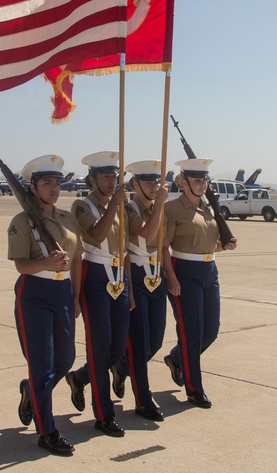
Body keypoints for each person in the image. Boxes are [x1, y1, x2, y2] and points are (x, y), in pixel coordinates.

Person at [8, 155, 82, 457]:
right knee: (43, 364)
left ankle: (31, 391)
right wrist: (45, 263)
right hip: (34, 292)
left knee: (65, 360)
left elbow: (77, 259)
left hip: (62, 291)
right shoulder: (22, 221)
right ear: (33, 188)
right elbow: (21, 265)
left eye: (56, 183)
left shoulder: (67, 218)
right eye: (46, 183)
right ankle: (47, 430)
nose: (53, 188)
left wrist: (75, 297)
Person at [161, 158, 237, 409]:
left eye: (204, 180)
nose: (202, 185)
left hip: (209, 270)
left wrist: (225, 246)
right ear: (183, 183)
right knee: (191, 333)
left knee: (211, 331)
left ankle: (175, 359)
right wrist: (171, 278)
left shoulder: (209, 208)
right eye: (196, 180)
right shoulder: (172, 209)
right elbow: (163, 247)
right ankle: (194, 389)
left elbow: (210, 244)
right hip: (184, 272)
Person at [64, 151, 129, 438]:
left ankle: (79, 378)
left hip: (118, 276)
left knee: (117, 347)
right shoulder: (83, 205)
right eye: (106, 177)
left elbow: (124, 247)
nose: (112, 181)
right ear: (92, 179)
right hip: (95, 276)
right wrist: (115, 205)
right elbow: (97, 234)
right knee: (99, 347)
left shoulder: (121, 205)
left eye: (115, 176)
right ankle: (104, 414)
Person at [113, 160, 171, 421]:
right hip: (135, 274)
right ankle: (143, 400)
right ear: (134, 184)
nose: (153, 186)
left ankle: (118, 369)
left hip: (155, 275)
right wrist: (160, 203)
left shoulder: (159, 208)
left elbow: (163, 245)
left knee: (155, 341)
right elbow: (147, 235)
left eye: (156, 181)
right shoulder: (129, 208)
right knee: (138, 344)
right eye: (147, 182)